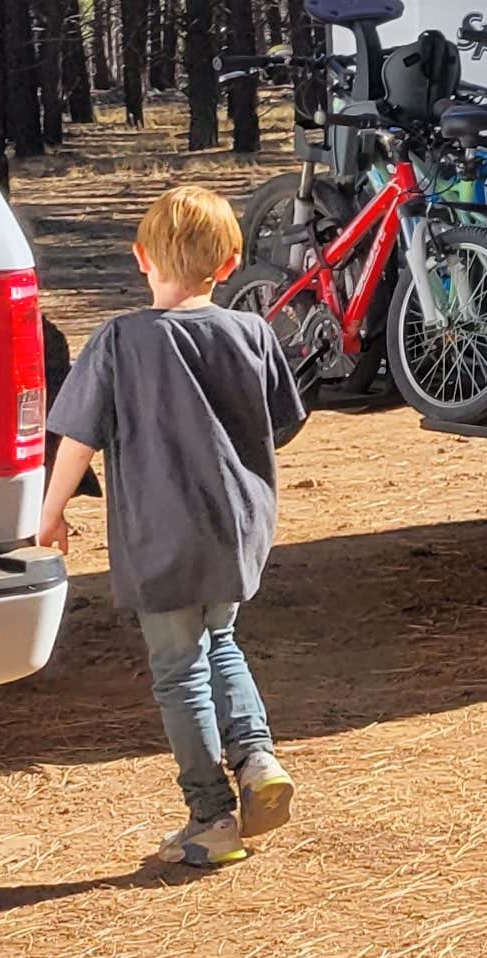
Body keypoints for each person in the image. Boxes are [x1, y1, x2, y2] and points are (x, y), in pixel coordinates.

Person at [36, 183, 307, 869]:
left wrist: (51, 510)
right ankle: (256, 759)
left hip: (162, 535)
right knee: (221, 640)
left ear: (140, 258)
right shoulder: (251, 332)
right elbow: (280, 424)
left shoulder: (120, 341)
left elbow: (76, 438)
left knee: (177, 669)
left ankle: (209, 818)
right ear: (229, 264)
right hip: (237, 529)